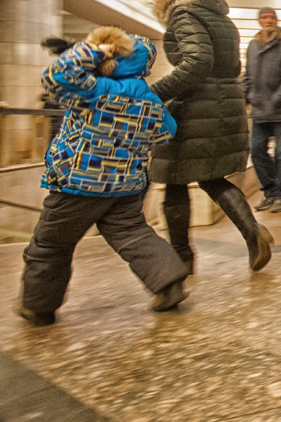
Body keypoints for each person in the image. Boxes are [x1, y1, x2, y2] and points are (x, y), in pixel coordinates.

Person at [19, 28, 188, 326]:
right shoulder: (150, 101)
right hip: (127, 185)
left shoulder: (93, 90)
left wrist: (94, 50)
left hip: (79, 183)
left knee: (51, 244)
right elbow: (167, 131)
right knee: (133, 233)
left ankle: (38, 306)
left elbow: (55, 76)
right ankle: (169, 282)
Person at [145, 0, 274, 274]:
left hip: (198, 105)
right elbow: (229, 66)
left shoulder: (182, 14)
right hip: (223, 101)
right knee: (210, 176)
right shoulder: (218, 16)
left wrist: (153, 93)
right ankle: (252, 232)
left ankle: (181, 256)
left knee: (172, 177)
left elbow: (196, 62)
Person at [243, 7, 281, 213]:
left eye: (271, 17)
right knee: (257, 150)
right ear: (259, 21)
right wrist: (246, 96)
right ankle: (270, 191)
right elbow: (248, 75)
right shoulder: (253, 45)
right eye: (263, 17)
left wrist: (277, 98)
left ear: (276, 20)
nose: (267, 20)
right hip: (260, 110)